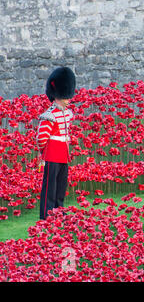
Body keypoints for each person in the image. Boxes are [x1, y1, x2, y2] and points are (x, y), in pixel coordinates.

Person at [36, 67, 76, 219]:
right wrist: (43, 154)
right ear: (57, 95)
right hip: (52, 155)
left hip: (63, 155)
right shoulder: (49, 115)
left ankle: (59, 211)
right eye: (65, 97)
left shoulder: (66, 114)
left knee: (60, 187)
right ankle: (46, 215)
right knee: (49, 188)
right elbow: (41, 138)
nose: (68, 99)